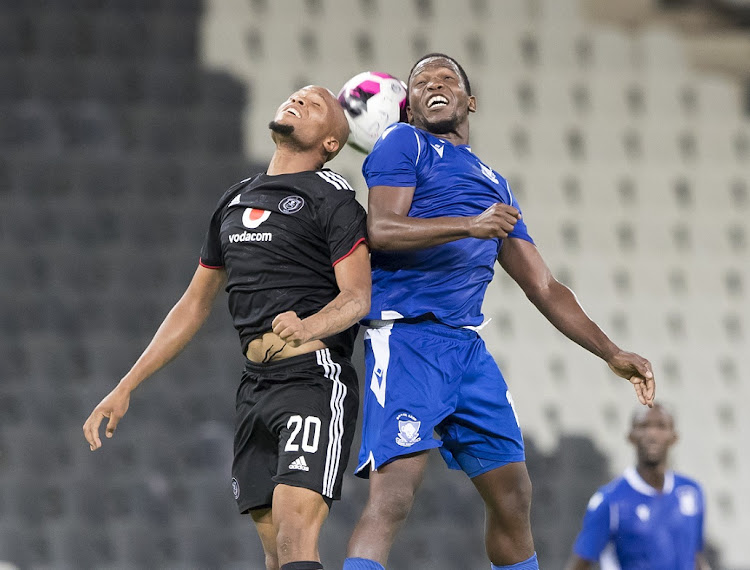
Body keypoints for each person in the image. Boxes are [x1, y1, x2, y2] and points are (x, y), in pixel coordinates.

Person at [342, 53, 656, 570]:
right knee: (393, 498)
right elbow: (382, 230)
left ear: (471, 101)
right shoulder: (405, 143)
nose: (434, 84)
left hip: (466, 349)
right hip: (408, 340)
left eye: (447, 78)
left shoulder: (494, 182)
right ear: (408, 106)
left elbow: (544, 285)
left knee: (513, 496)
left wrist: (611, 351)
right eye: (421, 82)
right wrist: (469, 225)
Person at [83, 85, 371, 570]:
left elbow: (358, 296)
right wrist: (126, 385)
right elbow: (193, 304)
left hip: (312, 378)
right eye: (297, 96)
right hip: (254, 387)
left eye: (316, 105)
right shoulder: (235, 198)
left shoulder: (333, 197)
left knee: (296, 531)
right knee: (274, 551)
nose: (299, 101)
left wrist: (309, 326)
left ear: (331, 144)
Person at [566, 404, 711, 570]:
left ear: (674, 437)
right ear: (631, 436)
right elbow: (580, 564)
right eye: (644, 426)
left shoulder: (692, 492)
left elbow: (695, 555)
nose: (652, 434)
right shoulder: (610, 501)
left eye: (661, 426)